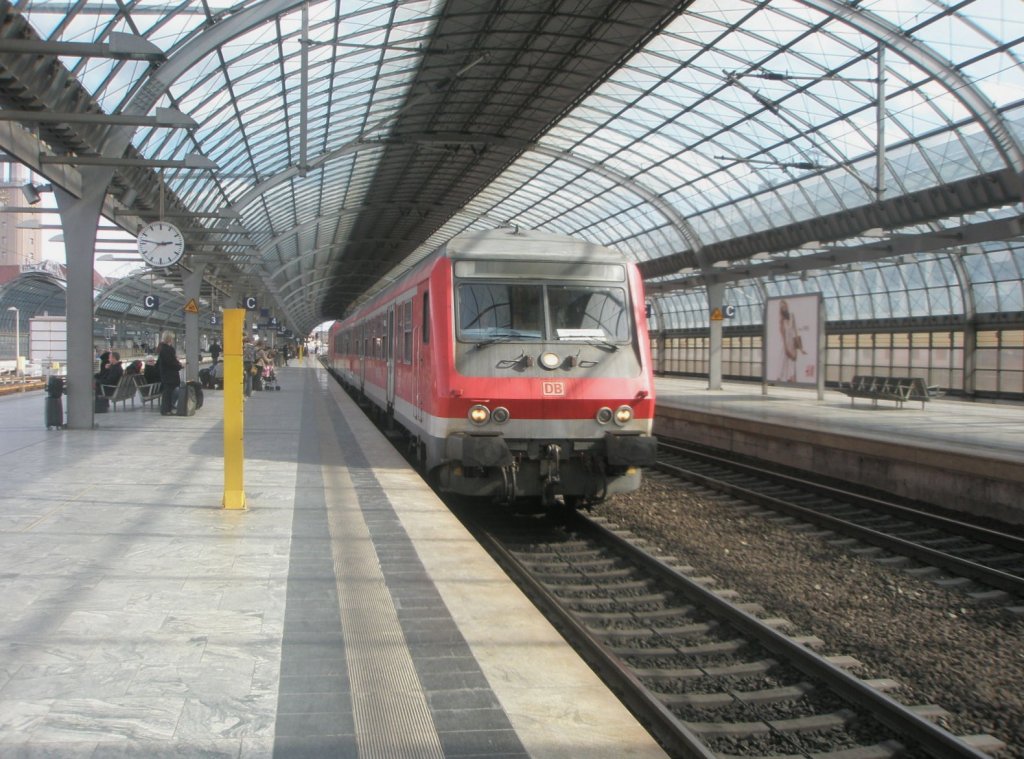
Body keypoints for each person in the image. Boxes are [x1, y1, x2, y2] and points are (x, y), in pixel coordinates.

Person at [778, 299, 804, 382]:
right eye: (781, 307)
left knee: (792, 360)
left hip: (792, 342)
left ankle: (791, 377)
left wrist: (800, 347)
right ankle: (780, 377)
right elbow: (782, 334)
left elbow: (795, 330)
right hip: (785, 343)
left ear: (786, 306)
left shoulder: (792, 316)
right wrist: (785, 346)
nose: (783, 307)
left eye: (784, 305)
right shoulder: (781, 320)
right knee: (783, 360)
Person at [156, 332, 182, 415]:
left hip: (166, 374)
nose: (173, 340)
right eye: (172, 338)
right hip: (169, 375)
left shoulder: (162, 348)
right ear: (169, 339)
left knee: (168, 392)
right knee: (168, 392)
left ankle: (168, 409)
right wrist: (179, 365)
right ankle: (166, 410)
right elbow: (170, 362)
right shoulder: (167, 349)